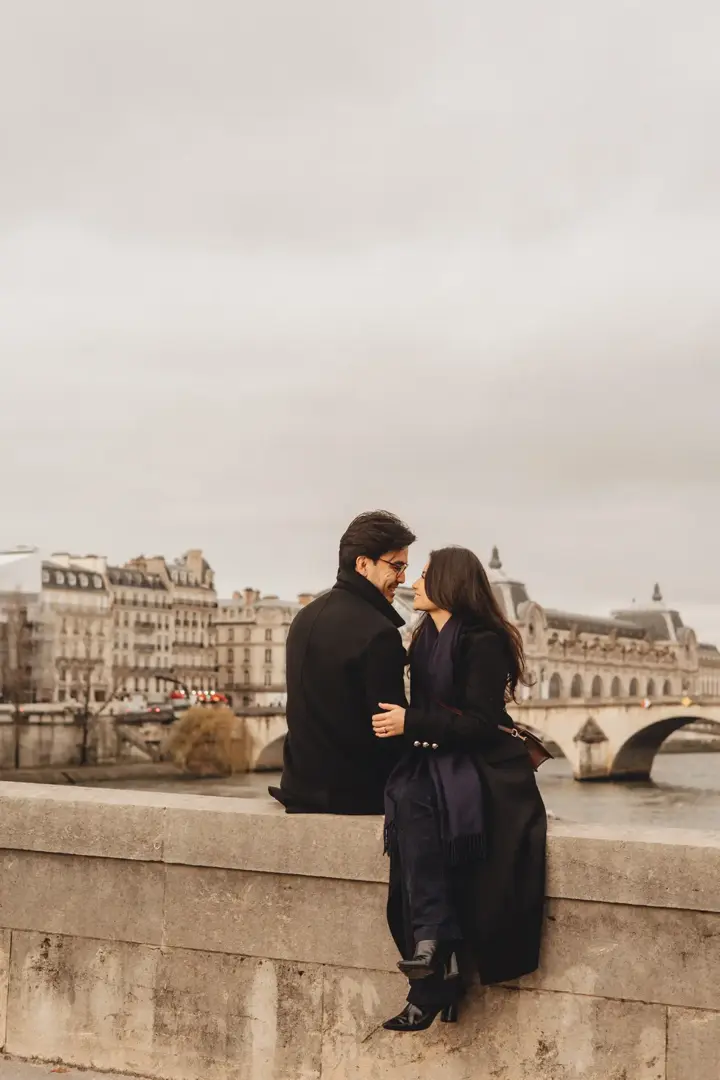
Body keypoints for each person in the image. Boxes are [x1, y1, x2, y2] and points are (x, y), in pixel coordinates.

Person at [372, 546, 547, 1032]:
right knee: (410, 802)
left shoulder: (483, 641)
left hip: (480, 762)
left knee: (416, 806)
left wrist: (411, 721)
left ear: (450, 581)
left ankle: (431, 954)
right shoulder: (425, 635)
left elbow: (480, 723)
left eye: (425, 574)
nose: (416, 581)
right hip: (438, 757)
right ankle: (433, 951)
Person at [269, 510, 416, 815]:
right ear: (363, 564)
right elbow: (387, 730)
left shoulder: (305, 617)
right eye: (397, 566)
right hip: (356, 795)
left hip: (299, 787)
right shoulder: (379, 632)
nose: (402, 578)